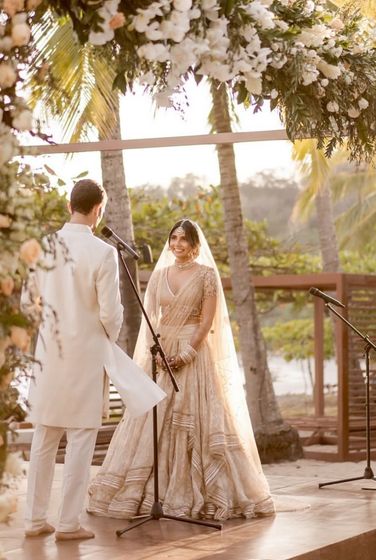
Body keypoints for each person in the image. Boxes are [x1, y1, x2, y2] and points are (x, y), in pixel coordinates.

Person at [88, 219, 275, 520]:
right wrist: (157, 354)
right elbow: (151, 320)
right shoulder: (159, 276)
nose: (177, 244)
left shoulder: (206, 275)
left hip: (195, 356)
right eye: (173, 237)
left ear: (195, 244)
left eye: (183, 239)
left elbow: (208, 322)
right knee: (155, 422)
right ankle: (150, 492)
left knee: (197, 425)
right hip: (161, 357)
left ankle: (202, 492)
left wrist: (187, 353)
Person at [21, 179, 124, 541]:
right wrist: (104, 339)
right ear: (98, 210)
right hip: (85, 357)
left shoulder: (44, 247)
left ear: (69, 206)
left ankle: (35, 521)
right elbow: (112, 315)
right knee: (81, 441)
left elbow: (25, 305)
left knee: (43, 439)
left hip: (48, 356)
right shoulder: (103, 253)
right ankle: (67, 523)